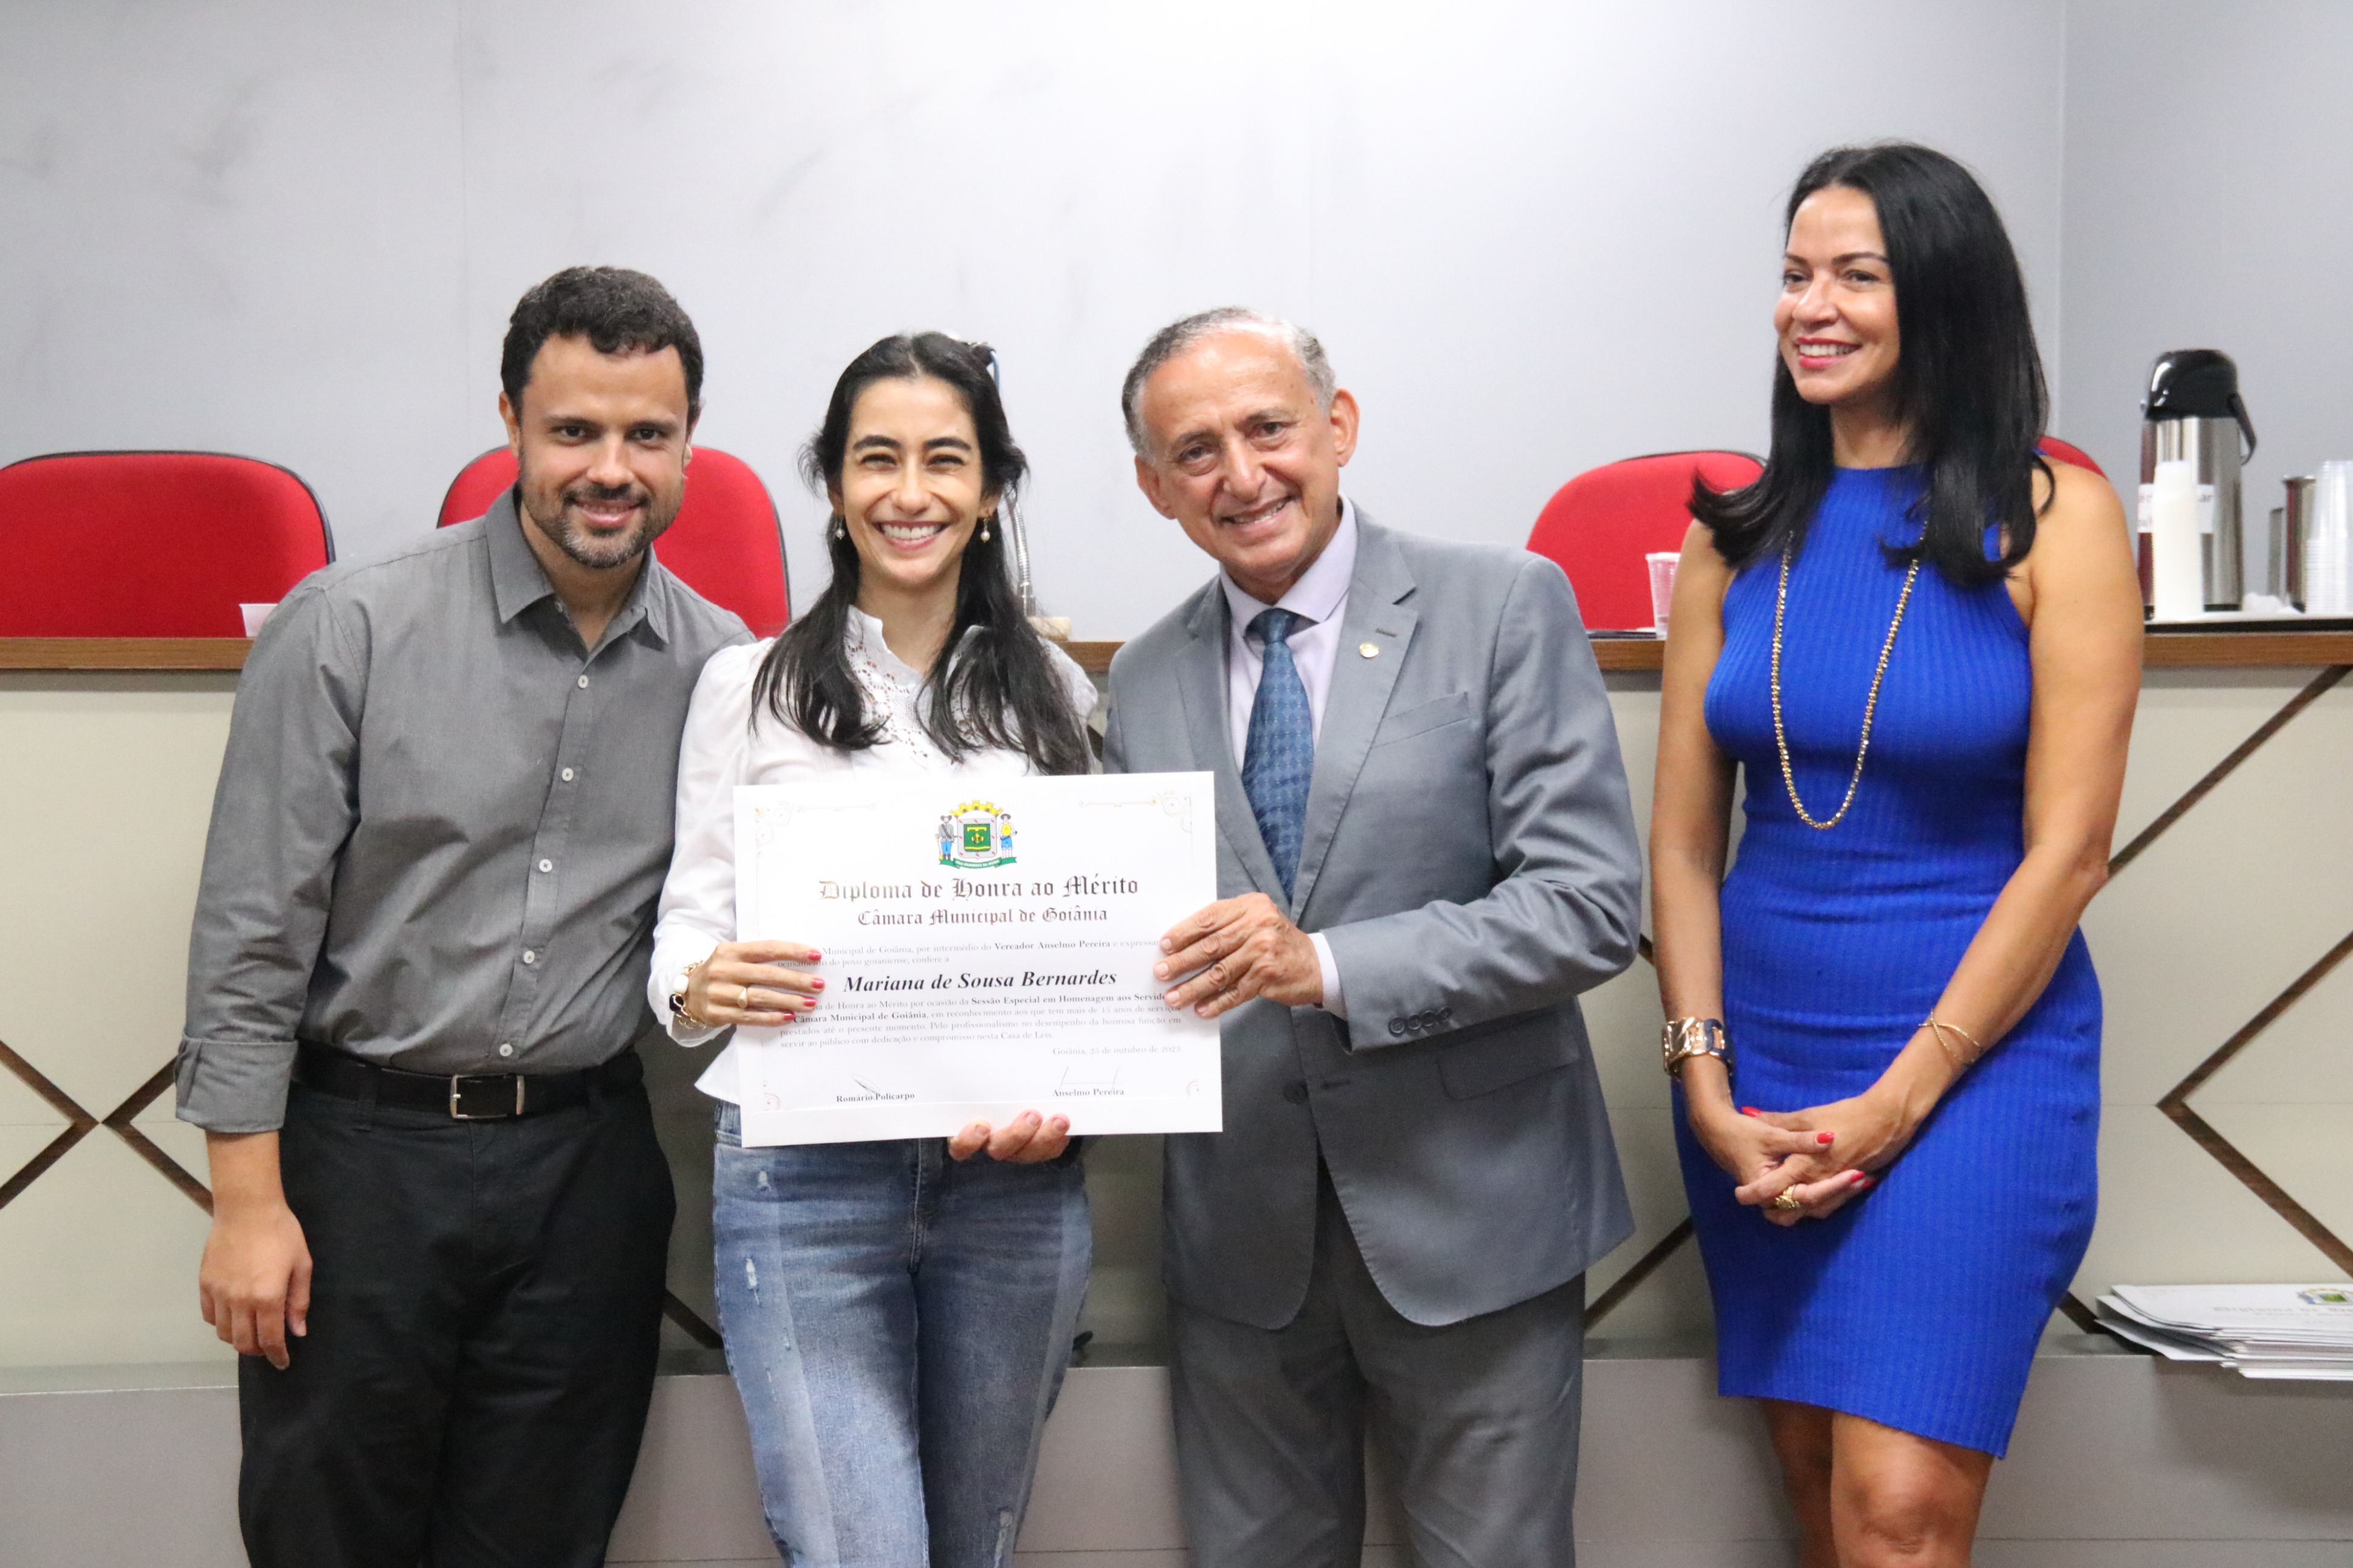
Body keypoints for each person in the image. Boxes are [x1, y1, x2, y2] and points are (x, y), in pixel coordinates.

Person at [177, 266, 750, 1566]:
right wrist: (246, 1205)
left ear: (688, 441)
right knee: (329, 1536)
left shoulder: (725, 668)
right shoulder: (350, 627)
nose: (611, 469)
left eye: (648, 434)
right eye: (574, 431)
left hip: (586, 1174)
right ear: (510, 423)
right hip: (359, 1168)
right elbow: (252, 935)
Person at [1649, 143, 2141, 1568]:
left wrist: (1900, 1097)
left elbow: (2070, 852)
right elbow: (1681, 845)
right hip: (1760, 1069)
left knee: (1898, 1513)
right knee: (1815, 1488)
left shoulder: (2057, 519)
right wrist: (1702, 1078)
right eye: (1794, 275)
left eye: (1855, 276)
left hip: (1975, 1066)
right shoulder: (1731, 538)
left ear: (1942, 295)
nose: (1810, 307)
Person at [1105, 307, 1643, 1567]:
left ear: (1338, 426)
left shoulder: (1503, 603)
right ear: (1154, 487)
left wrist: (1330, 966)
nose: (1241, 475)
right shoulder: (1139, 677)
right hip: (1240, 1241)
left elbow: (1586, 905)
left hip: (1475, 1214)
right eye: (1195, 452)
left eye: (1268, 429)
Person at [647, 332, 1099, 1568]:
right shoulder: (747, 687)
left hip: (1010, 1190)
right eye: (876, 458)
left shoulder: (1061, 696)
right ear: (836, 486)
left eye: (945, 459)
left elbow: (1092, 947)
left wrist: (1082, 1088)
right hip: (804, 1185)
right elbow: (688, 921)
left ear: (992, 488)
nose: (910, 492)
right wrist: (700, 982)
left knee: (977, 1545)